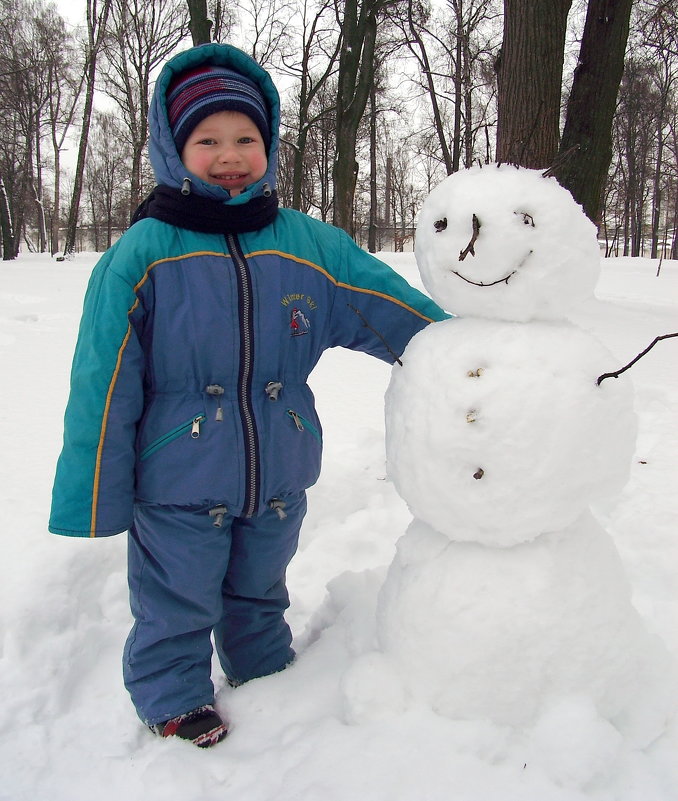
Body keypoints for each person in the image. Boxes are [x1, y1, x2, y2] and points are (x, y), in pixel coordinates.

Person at [49, 42, 447, 748]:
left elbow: (386, 306)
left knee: (261, 584)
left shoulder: (305, 244)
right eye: (207, 140)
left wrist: (470, 350)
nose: (229, 154)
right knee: (176, 598)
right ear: (174, 149)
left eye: (246, 138)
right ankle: (172, 692)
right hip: (177, 478)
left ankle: (263, 666)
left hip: (279, 471)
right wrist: (94, 492)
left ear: (269, 146)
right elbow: (101, 381)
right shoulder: (144, 252)